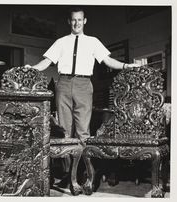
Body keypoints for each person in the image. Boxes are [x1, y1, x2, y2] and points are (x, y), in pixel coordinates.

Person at [25, 7, 140, 186]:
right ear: (69, 22)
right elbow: (47, 62)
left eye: (80, 20)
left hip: (84, 85)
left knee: (83, 133)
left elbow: (108, 61)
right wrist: (31, 68)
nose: (76, 23)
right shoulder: (61, 42)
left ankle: (84, 173)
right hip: (63, 84)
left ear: (84, 21)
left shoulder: (93, 42)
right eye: (73, 20)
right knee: (64, 132)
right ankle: (69, 175)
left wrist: (126, 66)